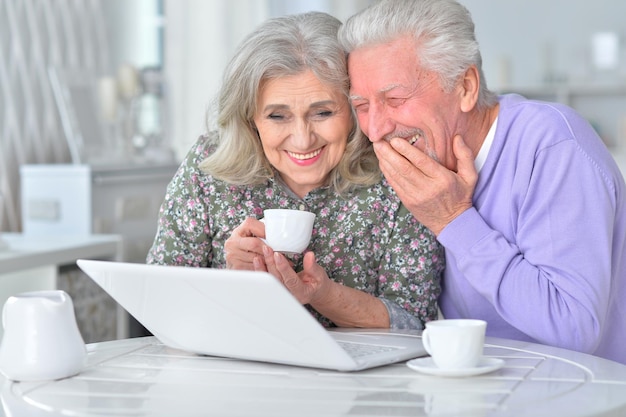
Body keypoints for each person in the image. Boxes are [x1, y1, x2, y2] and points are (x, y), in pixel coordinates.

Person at [338, 0, 626, 363]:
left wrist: (454, 220)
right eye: (362, 106)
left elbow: (574, 329)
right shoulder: (419, 159)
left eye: (394, 99)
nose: (376, 128)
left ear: (466, 87)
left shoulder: (551, 146)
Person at [147, 11, 444, 330]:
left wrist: (323, 294)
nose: (303, 139)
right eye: (278, 116)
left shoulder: (397, 170)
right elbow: (156, 302)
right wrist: (230, 280)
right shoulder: (208, 165)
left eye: (323, 112)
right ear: (251, 119)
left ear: (355, 109)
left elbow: (414, 322)